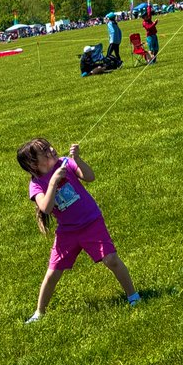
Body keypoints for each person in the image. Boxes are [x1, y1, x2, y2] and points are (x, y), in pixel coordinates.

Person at [15, 138, 139, 323]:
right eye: (45, 150)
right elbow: (46, 208)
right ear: (34, 163)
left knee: (111, 259)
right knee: (53, 272)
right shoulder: (36, 184)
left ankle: (133, 296)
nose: (51, 148)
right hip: (67, 232)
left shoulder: (64, 163)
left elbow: (90, 176)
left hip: (91, 222)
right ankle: (39, 313)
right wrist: (53, 182)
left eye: (49, 145)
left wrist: (77, 159)